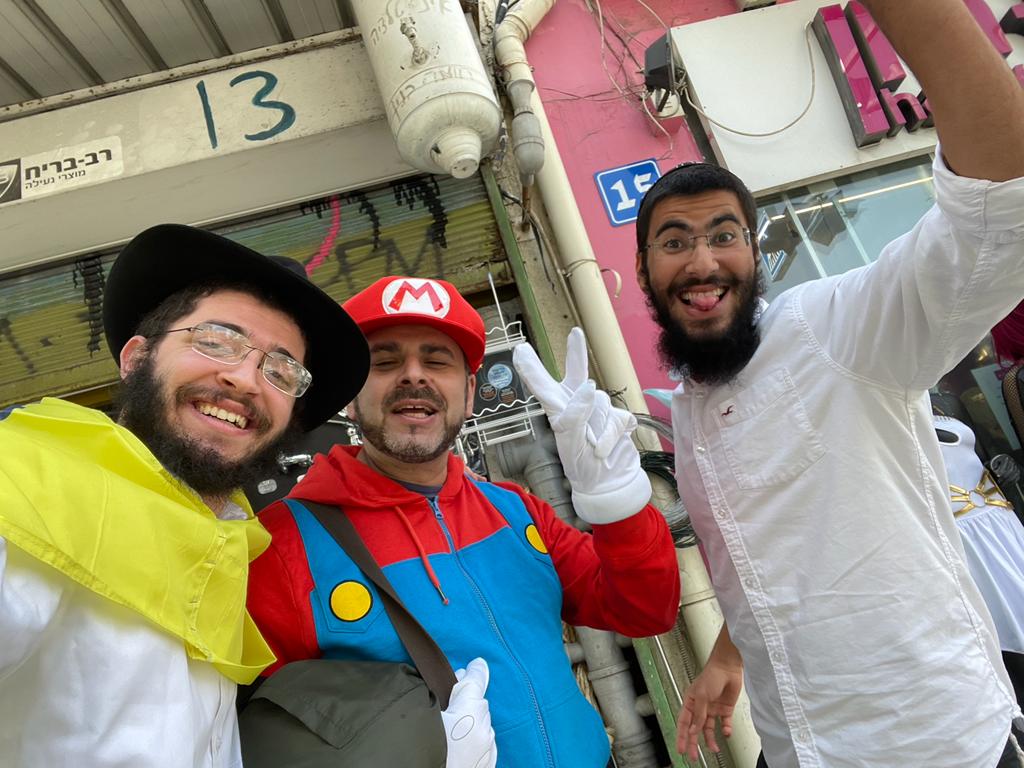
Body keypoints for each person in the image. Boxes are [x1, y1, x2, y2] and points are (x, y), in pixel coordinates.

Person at [617, 1, 1024, 765]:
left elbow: (1002, 206)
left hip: (935, 746)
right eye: (675, 242)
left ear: (755, 254)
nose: (702, 261)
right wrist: (729, 655)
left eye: (724, 235)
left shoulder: (834, 329)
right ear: (644, 271)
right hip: (794, 746)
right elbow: (772, 552)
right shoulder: (692, 404)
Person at [247, 275, 681, 768]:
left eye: (437, 360)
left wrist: (619, 507)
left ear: (470, 392)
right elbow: (254, 741)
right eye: (385, 362)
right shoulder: (279, 546)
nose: (413, 376)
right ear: (351, 395)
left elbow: (646, 612)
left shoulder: (515, 509)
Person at [0, 223, 370, 767]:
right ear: (136, 358)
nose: (247, 380)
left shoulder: (232, 542)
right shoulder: (24, 480)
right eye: (216, 341)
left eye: (282, 371)